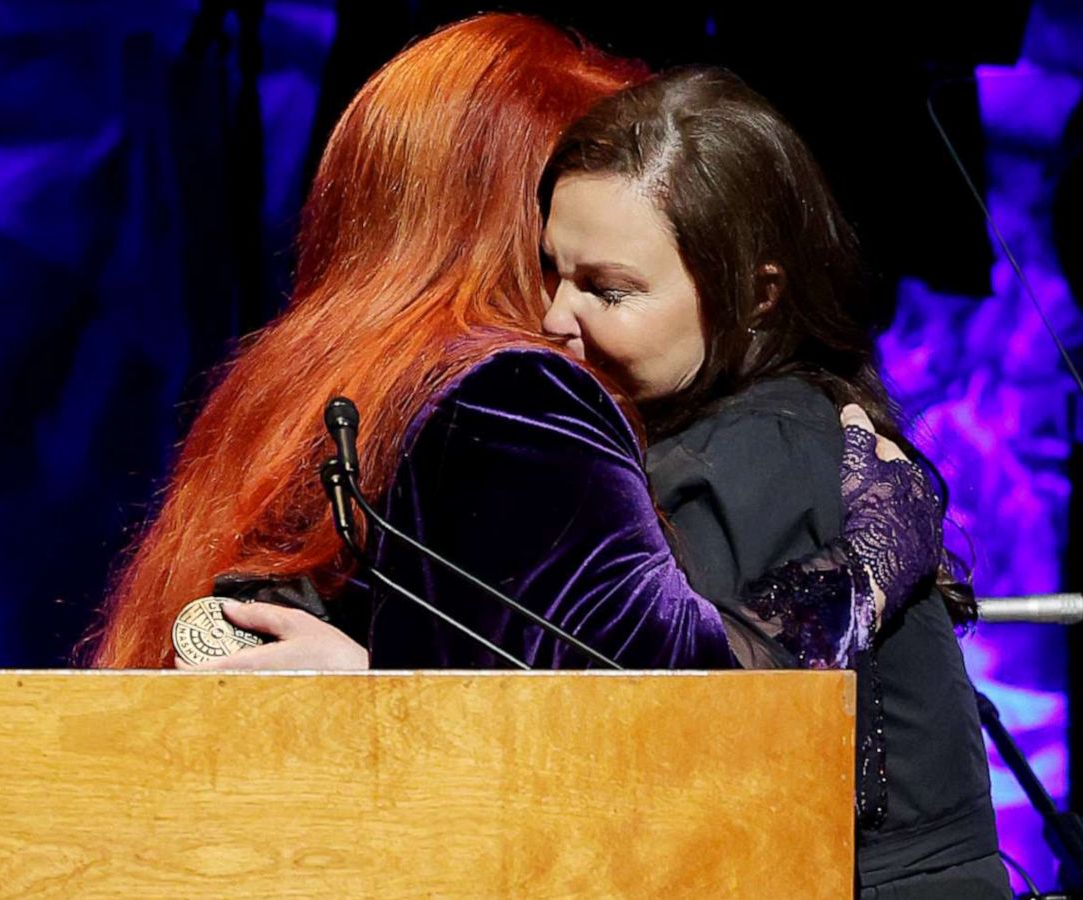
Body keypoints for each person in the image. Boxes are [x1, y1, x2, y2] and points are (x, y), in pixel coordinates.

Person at [205, 65, 1011, 898]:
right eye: (553, 269)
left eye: (608, 291)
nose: (556, 316)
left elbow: (667, 733)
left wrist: (382, 686)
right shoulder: (703, 426)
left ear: (759, 296)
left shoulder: (765, 445)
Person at [84, 16, 931, 675]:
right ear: (516, 222)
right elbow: (677, 688)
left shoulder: (313, 382)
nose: (568, 308)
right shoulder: (511, 395)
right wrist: (873, 555)